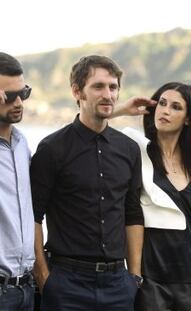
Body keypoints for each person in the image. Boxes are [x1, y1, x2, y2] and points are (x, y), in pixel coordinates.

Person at [30, 55, 145, 310]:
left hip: (119, 284)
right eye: (98, 86)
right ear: (76, 91)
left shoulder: (129, 149)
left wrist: (134, 277)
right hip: (66, 283)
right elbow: (34, 217)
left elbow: (133, 213)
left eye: (113, 87)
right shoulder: (51, 149)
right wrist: (44, 277)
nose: (108, 94)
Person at [114, 82, 191, 311]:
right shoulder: (135, 147)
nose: (166, 110)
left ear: (188, 118)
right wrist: (121, 109)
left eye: (176, 107)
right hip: (151, 277)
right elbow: (82, 128)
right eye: (162, 103)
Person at [0, 52, 35, 311]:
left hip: (26, 288)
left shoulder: (23, 144)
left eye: (23, 93)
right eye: (8, 96)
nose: (18, 102)